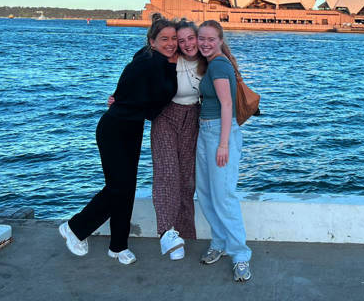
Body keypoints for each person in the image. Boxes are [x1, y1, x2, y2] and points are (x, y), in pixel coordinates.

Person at [59, 14, 178, 265]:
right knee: (118, 188)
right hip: (115, 129)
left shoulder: (145, 57)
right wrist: (172, 64)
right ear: (152, 41)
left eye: (174, 39)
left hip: (129, 127)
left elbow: (137, 96)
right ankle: (75, 228)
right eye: (164, 39)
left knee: (126, 189)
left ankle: (118, 245)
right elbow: (163, 96)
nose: (171, 43)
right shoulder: (153, 62)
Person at [196, 20, 252, 282]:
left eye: (210, 39)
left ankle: (240, 255)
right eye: (201, 38)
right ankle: (219, 241)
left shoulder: (218, 64)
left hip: (219, 132)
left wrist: (222, 144)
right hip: (206, 131)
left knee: (223, 196)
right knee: (206, 192)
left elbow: (227, 105)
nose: (205, 43)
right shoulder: (211, 63)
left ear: (220, 40)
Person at [151, 18, 207, 260]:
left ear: (198, 38)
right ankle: (166, 232)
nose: (185, 44)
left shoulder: (208, 62)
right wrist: (120, 96)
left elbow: (230, 80)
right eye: (180, 40)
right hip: (166, 116)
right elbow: (139, 70)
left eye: (189, 38)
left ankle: (186, 234)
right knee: (167, 173)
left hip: (193, 118)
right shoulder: (169, 60)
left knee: (187, 180)